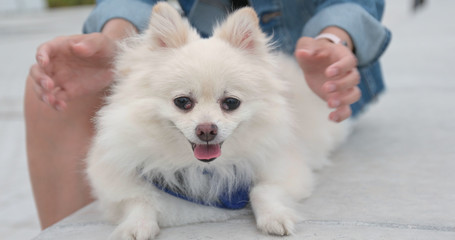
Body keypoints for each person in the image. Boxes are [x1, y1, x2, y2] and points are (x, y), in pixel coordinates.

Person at [25, 0, 390, 229]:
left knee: (289, 124)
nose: (206, 125)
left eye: (228, 105)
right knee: (48, 85)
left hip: (304, 73)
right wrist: (117, 42)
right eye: (184, 104)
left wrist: (334, 42)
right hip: (182, 59)